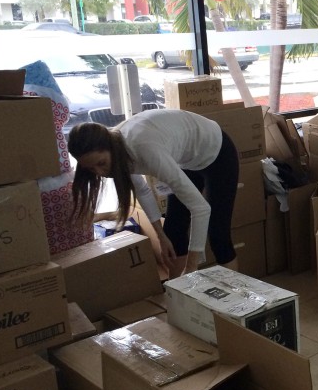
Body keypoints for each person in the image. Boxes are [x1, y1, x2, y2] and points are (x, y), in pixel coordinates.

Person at [68, 108, 240, 278]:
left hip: (216, 151)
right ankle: (177, 296)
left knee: (218, 236)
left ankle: (239, 302)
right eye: (91, 169)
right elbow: (142, 190)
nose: (100, 172)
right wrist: (161, 236)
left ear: (110, 148)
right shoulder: (118, 151)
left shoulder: (144, 149)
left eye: (101, 163)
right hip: (187, 159)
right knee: (172, 233)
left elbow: (201, 208)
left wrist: (192, 266)